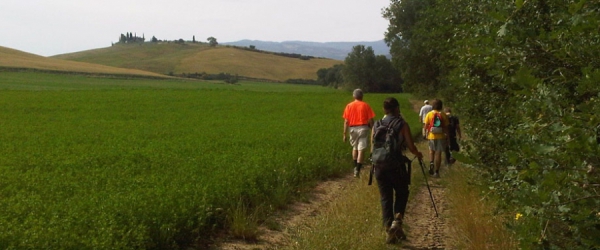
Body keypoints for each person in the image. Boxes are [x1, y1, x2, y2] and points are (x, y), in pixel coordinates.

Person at [371, 97, 423, 244]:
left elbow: (372, 147)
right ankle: (397, 221)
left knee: (385, 198)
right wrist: (418, 154)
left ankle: (389, 230)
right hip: (396, 166)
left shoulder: (376, 124)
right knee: (402, 192)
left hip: (379, 167)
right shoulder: (402, 124)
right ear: (397, 109)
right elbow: (411, 147)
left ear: (384, 110)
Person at [343, 89, 376, 177]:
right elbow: (370, 120)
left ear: (354, 96)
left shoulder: (349, 106)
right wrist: (373, 129)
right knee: (361, 149)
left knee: (355, 147)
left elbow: (346, 121)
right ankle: (358, 169)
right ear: (362, 96)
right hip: (363, 128)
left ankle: (355, 167)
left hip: (352, 129)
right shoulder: (366, 105)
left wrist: (344, 134)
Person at [423, 99, 449, 178]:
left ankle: (431, 162)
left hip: (431, 135)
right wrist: (447, 136)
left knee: (431, 151)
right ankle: (437, 172)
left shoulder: (429, 114)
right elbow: (446, 127)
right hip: (441, 136)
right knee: (438, 153)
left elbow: (426, 126)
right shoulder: (443, 114)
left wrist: (426, 134)